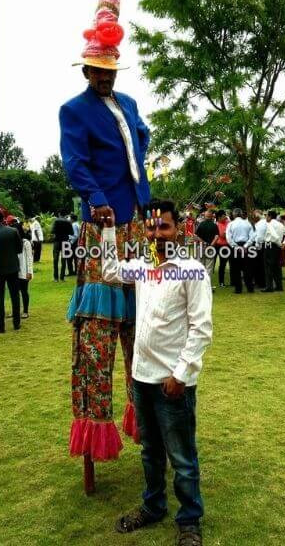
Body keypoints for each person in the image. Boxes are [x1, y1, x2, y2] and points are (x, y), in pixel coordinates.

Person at [59, 0, 151, 462]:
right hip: (104, 226)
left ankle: (148, 416)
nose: (105, 76)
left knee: (145, 316)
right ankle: (96, 424)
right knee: (100, 322)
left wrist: (145, 192)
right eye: (97, 69)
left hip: (137, 219)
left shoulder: (131, 103)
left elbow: (140, 141)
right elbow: (76, 165)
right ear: (86, 69)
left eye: (110, 69)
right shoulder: (73, 111)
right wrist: (96, 202)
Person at [101, 200, 211, 546]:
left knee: (181, 456)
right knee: (150, 450)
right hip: (142, 378)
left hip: (172, 383)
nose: (156, 233)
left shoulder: (191, 270)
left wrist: (180, 375)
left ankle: (189, 521)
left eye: (163, 226)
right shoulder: (144, 266)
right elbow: (109, 272)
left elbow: (201, 328)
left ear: (178, 229)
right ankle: (153, 506)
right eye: (150, 228)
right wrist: (106, 229)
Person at [0, 209, 22, 333]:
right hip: (12, 267)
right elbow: (19, 249)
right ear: (3, 219)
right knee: (15, 295)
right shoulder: (13, 231)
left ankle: (0, 325)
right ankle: (16, 323)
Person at [257, 210, 285, 292]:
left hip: (269, 247)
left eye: (266, 216)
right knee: (277, 267)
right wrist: (284, 243)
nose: (265, 218)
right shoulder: (280, 225)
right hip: (277, 248)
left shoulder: (267, 225)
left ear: (270, 216)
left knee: (268, 267)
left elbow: (260, 237)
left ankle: (269, 287)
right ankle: (279, 286)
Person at [226, 208, 255, 293]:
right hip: (246, 247)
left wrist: (236, 247)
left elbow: (229, 238)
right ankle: (250, 288)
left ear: (234, 215)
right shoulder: (247, 223)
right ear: (241, 214)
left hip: (235, 247)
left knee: (235, 269)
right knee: (248, 268)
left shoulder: (230, 224)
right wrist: (246, 246)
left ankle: (238, 289)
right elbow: (252, 236)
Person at [195, 209, 218, 290]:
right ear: (212, 216)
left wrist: (203, 242)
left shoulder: (201, 224)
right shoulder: (214, 225)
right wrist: (211, 244)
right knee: (209, 267)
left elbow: (196, 236)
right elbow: (216, 237)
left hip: (201, 247)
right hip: (210, 248)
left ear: (205, 216)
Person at [13, 221, 33, 318]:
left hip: (24, 271)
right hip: (13, 271)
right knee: (14, 292)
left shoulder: (26, 243)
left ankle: (25, 311)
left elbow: (29, 258)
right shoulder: (12, 241)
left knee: (24, 291)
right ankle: (15, 311)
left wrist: (29, 272)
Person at [51, 212, 74, 282]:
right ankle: (62, 277)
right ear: (65, 215)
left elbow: (52, 231)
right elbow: (72, 233)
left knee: (55, 259)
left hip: (57, 241)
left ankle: (55, 278)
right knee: (63, 260)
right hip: (65, 241)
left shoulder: (56, 221)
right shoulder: (68, 222)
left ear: (59, 214)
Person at [252, 210, 268, 288]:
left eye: (254, 216)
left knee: (259, 266)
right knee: (259, 265)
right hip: (261, 246)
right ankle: (260, 282)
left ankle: (261, 283)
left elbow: (259, 237)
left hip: (260, 246)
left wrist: (257, 246)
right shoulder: (262, 222)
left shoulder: (261, 223)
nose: (253, 218)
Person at [215, 210, 230, 287]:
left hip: (227, 245)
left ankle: (226, 281)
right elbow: (222, 235)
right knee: (221, 264)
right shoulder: (217, 224)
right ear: (219, 217)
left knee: (224, 264)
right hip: (219, 246)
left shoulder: (228, 222)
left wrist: (227, 233)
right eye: (224, 216)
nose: (225, 217)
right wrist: (227, 233)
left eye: (225, 216)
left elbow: (229, 233)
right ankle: (221, 282)